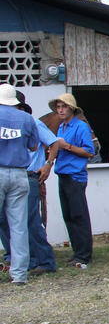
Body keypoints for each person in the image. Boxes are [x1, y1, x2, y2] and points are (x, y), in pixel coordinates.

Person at [0, 92, 58, 276]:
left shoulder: (33, 122)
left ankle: (44, 261)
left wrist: (48, 165)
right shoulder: (23, 121)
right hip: (19, 175)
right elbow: (33, 146)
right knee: (9, 222)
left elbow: (54, 143)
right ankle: (20, 262)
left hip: (30, 175)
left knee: (30, 221)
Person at [0, 84, 40, 285]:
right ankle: (19, 275)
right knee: (18, 226)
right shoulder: (26, 118)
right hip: (19, 174)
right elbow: (33, 145)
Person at [49, 93, 95, 267]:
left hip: (75, 176)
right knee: (68, 215)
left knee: (78, 215)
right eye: (58, 107)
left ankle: (84, 255)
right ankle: (78, 252)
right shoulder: (62, 128)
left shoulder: (80, 127)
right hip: (63, 174)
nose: (60, 110)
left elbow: (89, 151)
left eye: (63, 107)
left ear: (72, 109)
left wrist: (66, 146)